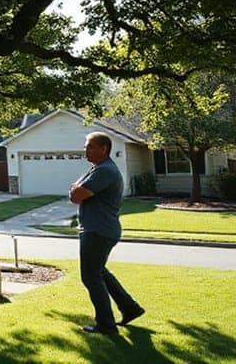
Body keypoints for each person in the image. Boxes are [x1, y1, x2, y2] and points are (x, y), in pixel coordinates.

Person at [69, 131, 146, 334]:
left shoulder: (105, 171)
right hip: (100, 229)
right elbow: (76, 192)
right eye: (86, 146)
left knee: (91, 277)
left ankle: (106, 324)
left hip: (98, 230)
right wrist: (77, 190)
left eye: (90, 146)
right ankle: (130, 308)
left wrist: (76, 190)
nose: (85, 150)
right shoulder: (97, 169)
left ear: (104, 149)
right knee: (99, 272)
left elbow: (76, 195)